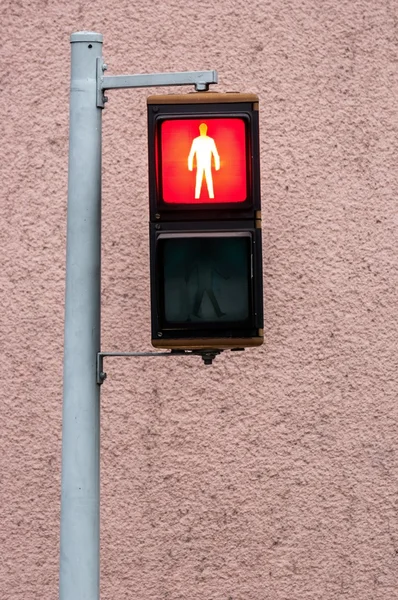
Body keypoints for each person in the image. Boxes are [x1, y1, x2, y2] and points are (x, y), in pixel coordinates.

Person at [188, 123, 220, 199]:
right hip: (203, 164)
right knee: (205, 181)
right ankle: (202, 197)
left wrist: (190, 167)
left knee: (202, 181)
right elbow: (215, 154)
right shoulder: (209, 140)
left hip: (204, 164)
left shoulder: (197, 141)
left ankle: (201, 197)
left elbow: (191, 154)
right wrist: (217, 166)